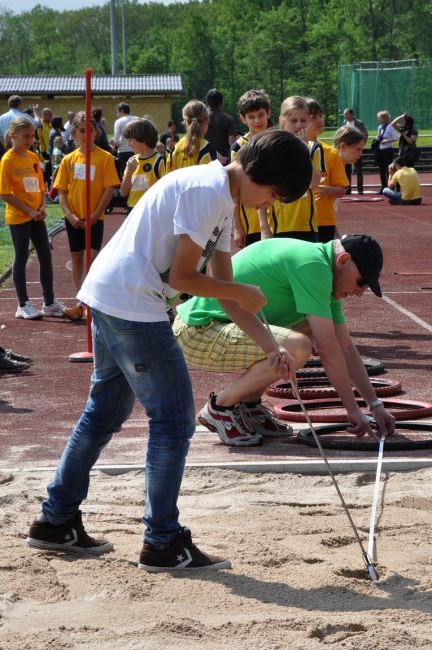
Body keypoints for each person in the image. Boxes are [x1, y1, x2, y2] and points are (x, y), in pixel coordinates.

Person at [25, 130, 313, 570]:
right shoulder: (208, 191)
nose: (268, 205)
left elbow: (228, 298)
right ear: (257, 173)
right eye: (273, 195)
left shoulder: (219, 195)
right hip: (132, 303)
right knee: (175, 421)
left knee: (103, 414)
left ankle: (55, 520)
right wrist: (241, 289)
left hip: (113, 296)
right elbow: (184, 279)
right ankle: (162, 541)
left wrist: (272, 347)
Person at [173, 235, 396, 447]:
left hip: (218, 328)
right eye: (362, 281)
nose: (360, 292)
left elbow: (345, 347)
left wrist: (374, 405)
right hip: (198, 331)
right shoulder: (312, 265)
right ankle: (220, 407)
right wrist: (353, 410)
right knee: (298, 347)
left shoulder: (325, 273)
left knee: (310, 331)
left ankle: (249, 405)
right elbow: (328, 350)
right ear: (343, 260)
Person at [54, 112, 119, 321]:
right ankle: (83, 302)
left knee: (90, 259)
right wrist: (70, 216)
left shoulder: (104, 157)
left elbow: (109, 189)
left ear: (96, 132)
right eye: (82, 131)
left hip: (94, 218)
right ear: (74, 133)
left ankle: (83, 303)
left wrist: (95, 214)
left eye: (90, 130)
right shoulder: (68, 160)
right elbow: (61, 191)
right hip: (73, 217)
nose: (86, 134)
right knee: (76, 259)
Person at [0, 116, 65, 319]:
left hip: (38, 215)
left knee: (45, 255)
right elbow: (4, 193)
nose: (29, 140)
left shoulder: (33, 157)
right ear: (13, 135)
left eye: (32, 136)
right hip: (20, 216)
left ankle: (49, 303)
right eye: (25, 136)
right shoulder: (7, 160)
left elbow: (41, 186)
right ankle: (23, 305)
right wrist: (29, 211)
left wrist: (42, 207)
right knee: (21, 256)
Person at [264, 95, 321, 242]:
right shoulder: (271, 149)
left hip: (306, 227)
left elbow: (313, 183)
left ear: (308, 120)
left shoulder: (313, 148)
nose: (298, 125)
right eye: (293, 121)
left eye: (303, 120)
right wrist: (264, 227)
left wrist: (303, 149)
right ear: (282, 121)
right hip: (278, 226)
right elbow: (263, 188)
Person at [230, 89, 272, 248]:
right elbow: (234, 191)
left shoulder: (276, 142)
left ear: (268, 113)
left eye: (261, 115)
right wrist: (237, 227)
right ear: (243, 118)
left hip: (279, 223)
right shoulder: (238, 147)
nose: (257, 121)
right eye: (251, 117)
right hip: (250, 224)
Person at [307, 98, 349, 243]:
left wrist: (329, 190)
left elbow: (342, 190)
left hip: (324, 221)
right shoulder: (291, 150)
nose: (320, 120)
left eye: (320, 116)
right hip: (299, 222)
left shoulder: (331, 153)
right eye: (313, 117)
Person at [120, 117, 166, 215]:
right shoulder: (132, 161)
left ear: (142, 138)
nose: (128, 144)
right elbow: (124, 192)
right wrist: (129, 173)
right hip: (132, 209)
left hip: (150, 210)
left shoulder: (159, 161)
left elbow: (166, 192)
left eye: (130, 140)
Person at [167, 100, 217, 172]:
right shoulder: (207, 149)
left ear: (185, 123)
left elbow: (168, 178)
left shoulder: (175, 149)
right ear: (207, 121)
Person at [205, 88, 238, 161]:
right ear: (221, 103)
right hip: (224, 160)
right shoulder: (228, 119)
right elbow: (232, 142)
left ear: (206, 103)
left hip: (204, 159)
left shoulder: (201, 119)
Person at [342, 108, 368, 194]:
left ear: (351, 114)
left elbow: (365, 134)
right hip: (347, 150)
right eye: (344, 114)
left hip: (356, 149)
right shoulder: (344, 123)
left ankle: (360, 189)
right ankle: (348, 189)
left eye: (346, 114)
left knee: (359, 170)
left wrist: (360, 146)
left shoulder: (359, 123)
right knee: (347, 171)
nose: (345, 116)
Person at [374, 111, 398, 194]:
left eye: (380, 118)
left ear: (384, 118)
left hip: (387, 150)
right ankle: (383, 187)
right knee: (381, 169)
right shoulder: (380, 127)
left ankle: (390, 187)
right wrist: (377, 138)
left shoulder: (389, 127)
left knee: (388, 169)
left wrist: (387, 141)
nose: (379, 119)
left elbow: (396, 137)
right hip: (380, 150)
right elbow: (379, 135)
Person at [111, 102, 136, 176]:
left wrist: (117, 143)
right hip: (136, 149)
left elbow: (116, 140)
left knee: (125, 174)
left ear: (121, 111)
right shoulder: (137, 119)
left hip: (123, 150)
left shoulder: (119, 122)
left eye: (117, 112)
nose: (117, 114)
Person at [37, 107, 53, 188]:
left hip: (50, 152)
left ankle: (49, 191)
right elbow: (39, 136)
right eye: (50, 115)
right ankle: (41, 190)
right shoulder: (40, 124)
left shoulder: (50, 125)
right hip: (43, 153)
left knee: (50, 173)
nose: (52, 116)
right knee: (43, 173)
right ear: (45, 115)